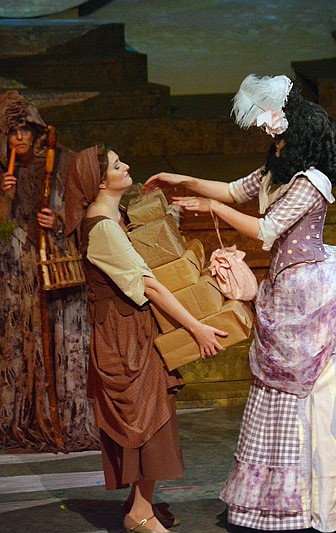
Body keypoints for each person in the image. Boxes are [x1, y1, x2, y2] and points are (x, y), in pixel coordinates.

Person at [144, 74, 336, 532]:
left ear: (297, 130)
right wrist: (184, 179)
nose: (267, 135)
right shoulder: (277, 170)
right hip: (284, 288)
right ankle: (269, 503)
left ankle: (317, 499)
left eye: (273, 127)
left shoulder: (312, 181)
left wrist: (213, 212)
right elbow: (234, 190)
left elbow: (266, 229)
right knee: (275, 391)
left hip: (315, 292)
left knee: (317, 395)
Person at [63, 146, 227, 533]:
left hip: (132, 329)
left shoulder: (113, 216)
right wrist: (196, 327)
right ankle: (139, 514)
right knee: (146, 420)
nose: (127, 167)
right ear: (100, 182)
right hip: (122, 337)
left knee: (154, 413)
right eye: (118, 166)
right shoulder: (101, 227)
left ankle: (139, 502)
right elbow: (149, 286)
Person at [0, 90, 97, 452]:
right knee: (20, 345)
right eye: (12, 131)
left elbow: (90, 211)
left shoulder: (63, 163)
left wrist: (58, 221)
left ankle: (64, 417)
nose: (20, 137)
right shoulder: (3, 172)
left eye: (26, 129)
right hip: (15, 276)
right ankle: (23, 417)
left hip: (56, 270)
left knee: (60, 340)